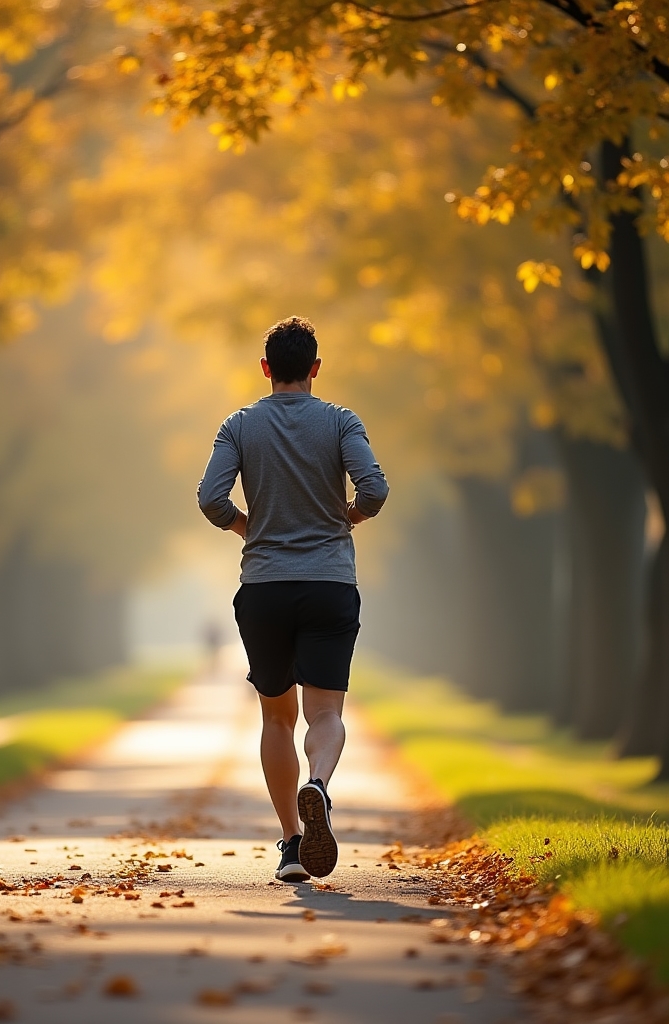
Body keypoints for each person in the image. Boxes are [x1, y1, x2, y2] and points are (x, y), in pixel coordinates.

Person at [197, 316, 389, 882]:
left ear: (265, 369)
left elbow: (210, 497)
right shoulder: (339, 421)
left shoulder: (238, 425)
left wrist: (246, 528)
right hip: (329, 582)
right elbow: (374, 489)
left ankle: (289, 844)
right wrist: (345, 518)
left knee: (276, 718)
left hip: (264, 588)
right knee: (324, 712)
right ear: (315, 368)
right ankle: (320, 785)